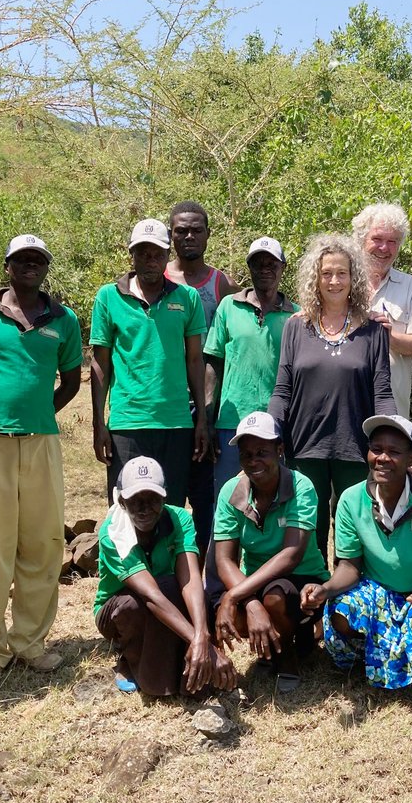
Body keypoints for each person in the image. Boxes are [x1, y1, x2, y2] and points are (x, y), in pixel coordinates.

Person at [0, 234, 83, 693]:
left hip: (41, 445)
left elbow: (71, 381)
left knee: (43, 543)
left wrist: (38, 412)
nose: (30, 265)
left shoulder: (63, 319)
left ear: (46, 267)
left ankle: (30, 642)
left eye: (38, 260)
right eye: (21, 259)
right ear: (8, 265)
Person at [300, 416, 412, 690]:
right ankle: (381, 659)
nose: (383, 458)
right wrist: (325, 589)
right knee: (339, 611)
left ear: (411, 458)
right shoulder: (350, 499)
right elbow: (350, 566)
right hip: (378, 591)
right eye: (376, 449)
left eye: (394, 452)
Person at [268, 234, 396, 558]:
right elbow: (282, 388)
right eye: (326, 273)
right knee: (309, 528)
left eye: (342, 273)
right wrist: (271, 432)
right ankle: (310, 599)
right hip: (304, 445)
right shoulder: (296, 327)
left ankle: (346, 599)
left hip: (355, 445)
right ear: (316, 277)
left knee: (353, 529)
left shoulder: (374, 330)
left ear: (354, 278)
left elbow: (382, 391)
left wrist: (392, 439)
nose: (334, 281)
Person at [93, 457, 237, 696]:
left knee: (184, 591)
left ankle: (185, 669)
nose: (144, 509)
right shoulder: (113, 533)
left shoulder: (180, 519)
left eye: (153, 500)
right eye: (135, 501)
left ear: (164, 497)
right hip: (121, 610)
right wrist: (205, 645)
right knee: (134, 604)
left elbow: (191, 581)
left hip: (163, 600)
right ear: (121, 501)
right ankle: (129, 657)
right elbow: (150, 596)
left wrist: (202, 635)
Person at [90, 218, 209, 505]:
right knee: (125, 510)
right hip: (127, 423)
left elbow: (195, 360)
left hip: (177, 424)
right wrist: (98, 424)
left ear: (168, 255)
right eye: (142, 253)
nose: (150, 260)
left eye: (157, 254)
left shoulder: (187, 297)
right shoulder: (108, 297)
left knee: (170, 509)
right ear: (131, 254)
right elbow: (99, 365)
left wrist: (202, 420)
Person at [204, 236, 298, 593]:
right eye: (258, 263)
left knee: (278, 508)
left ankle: (270, 588)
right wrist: (208, 419)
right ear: (249, 268)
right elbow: (213, 363)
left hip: (276, 427)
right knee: (226, 507)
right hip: (231, 422)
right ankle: (216, 592)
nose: (264, 270)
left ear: (282, 268)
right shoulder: (229, 307)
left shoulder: (296, 315)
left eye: (271, 263)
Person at [211, 412, 329, 692]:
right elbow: (224, 559)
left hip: (303, 579)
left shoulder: (301, 487)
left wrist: (235, 595)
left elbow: (292, 554)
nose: (253, 461)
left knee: (275, 597)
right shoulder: (231, 491)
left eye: (262, 452)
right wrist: (249, 603)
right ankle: (273, 648)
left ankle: (287, 656)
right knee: (236, 609)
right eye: (246, 454)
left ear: (280, 450)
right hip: (254, 582)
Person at [165, 201, 240, 564]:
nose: (189, 236)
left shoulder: (221, 283)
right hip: (166, 407)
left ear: (209, 235)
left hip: (210, 408)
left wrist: (210, 414)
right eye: (181, 230)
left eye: (196, 230)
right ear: (170, 235)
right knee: (168, 494)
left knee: (208, 497)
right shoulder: (157, 279)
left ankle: (208, 578)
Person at [353, 203, 412, 418]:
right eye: (377, 239)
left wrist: (387, 336)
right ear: (361, 239)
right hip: (345, 407)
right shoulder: (340, 283)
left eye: (392, 241)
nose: (384, 248)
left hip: (392, 412)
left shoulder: (411, 287)